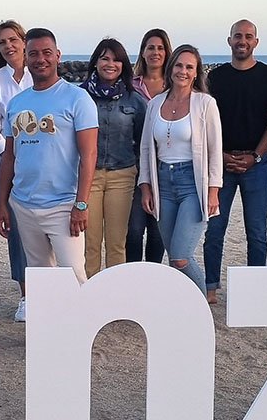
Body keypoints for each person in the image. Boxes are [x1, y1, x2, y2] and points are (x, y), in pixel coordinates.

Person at [0, 28, 98, 285]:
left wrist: (81, 205)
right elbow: (8, 157)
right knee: (40, 279)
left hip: (63, 205)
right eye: (33, 54)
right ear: (25, 57)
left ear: (57, 55)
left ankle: (79, 314)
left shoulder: (77, 98)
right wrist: (2, 204)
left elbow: (89, 155)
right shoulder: (16, 103)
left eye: (46, 52)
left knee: (74, 277)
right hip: (24, 204)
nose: (40, 59)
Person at [202, 20, 267, 304]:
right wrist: (221, 156)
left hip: (256, 165)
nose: (243, 41)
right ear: (229, 40)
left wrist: (255, 157)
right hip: (220, 164)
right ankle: (211, 288)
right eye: (238, 36)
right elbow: (206, 123)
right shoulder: (215, 77)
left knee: (257, 231)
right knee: (215, 229)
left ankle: (254, 290)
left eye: (248, 36)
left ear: (255, 42)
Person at [139, 45, 222, 298]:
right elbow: (146, 148)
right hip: (162, 183)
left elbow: (215, 149)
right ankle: (183, 306)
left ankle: (201, 305)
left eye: (189, 67)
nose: (182, 71)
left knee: (180, 257)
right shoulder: (155, 103)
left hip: (192, 185)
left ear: (196, 73)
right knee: (172, 256)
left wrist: (213, 190)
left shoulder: (205, 103)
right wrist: (145, 186)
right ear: (170, 67)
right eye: (178, 65)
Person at [81, 38, 146, 278]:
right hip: (89, 176)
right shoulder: (80, 96)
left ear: (123, 64)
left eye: (116, 59)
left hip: (122, 176)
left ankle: (115, 293)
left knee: (117, 242)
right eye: (105, 58)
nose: (110, 64)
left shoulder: (135, 100)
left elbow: (143, 142)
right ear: (95, 62)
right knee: (90, 242)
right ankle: (88, 291)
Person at [0, 20, 32, 321]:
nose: (8, 46)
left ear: (24, 41)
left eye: (13, 39)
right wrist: (11, 152)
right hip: (7, 163)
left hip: (41, 163)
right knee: (17, 232)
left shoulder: (40, 75)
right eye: (2, 42)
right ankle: (26, 296)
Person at [126, 29, 172, 264]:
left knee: (158, 231)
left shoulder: (175, 85)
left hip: (166, 164)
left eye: (160, 48)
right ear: (143, 52)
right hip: (134, 163)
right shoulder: (129, 85)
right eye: (151, 47)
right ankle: (132, 276)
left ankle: (153, 276)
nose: (156, 52)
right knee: (134, 230)